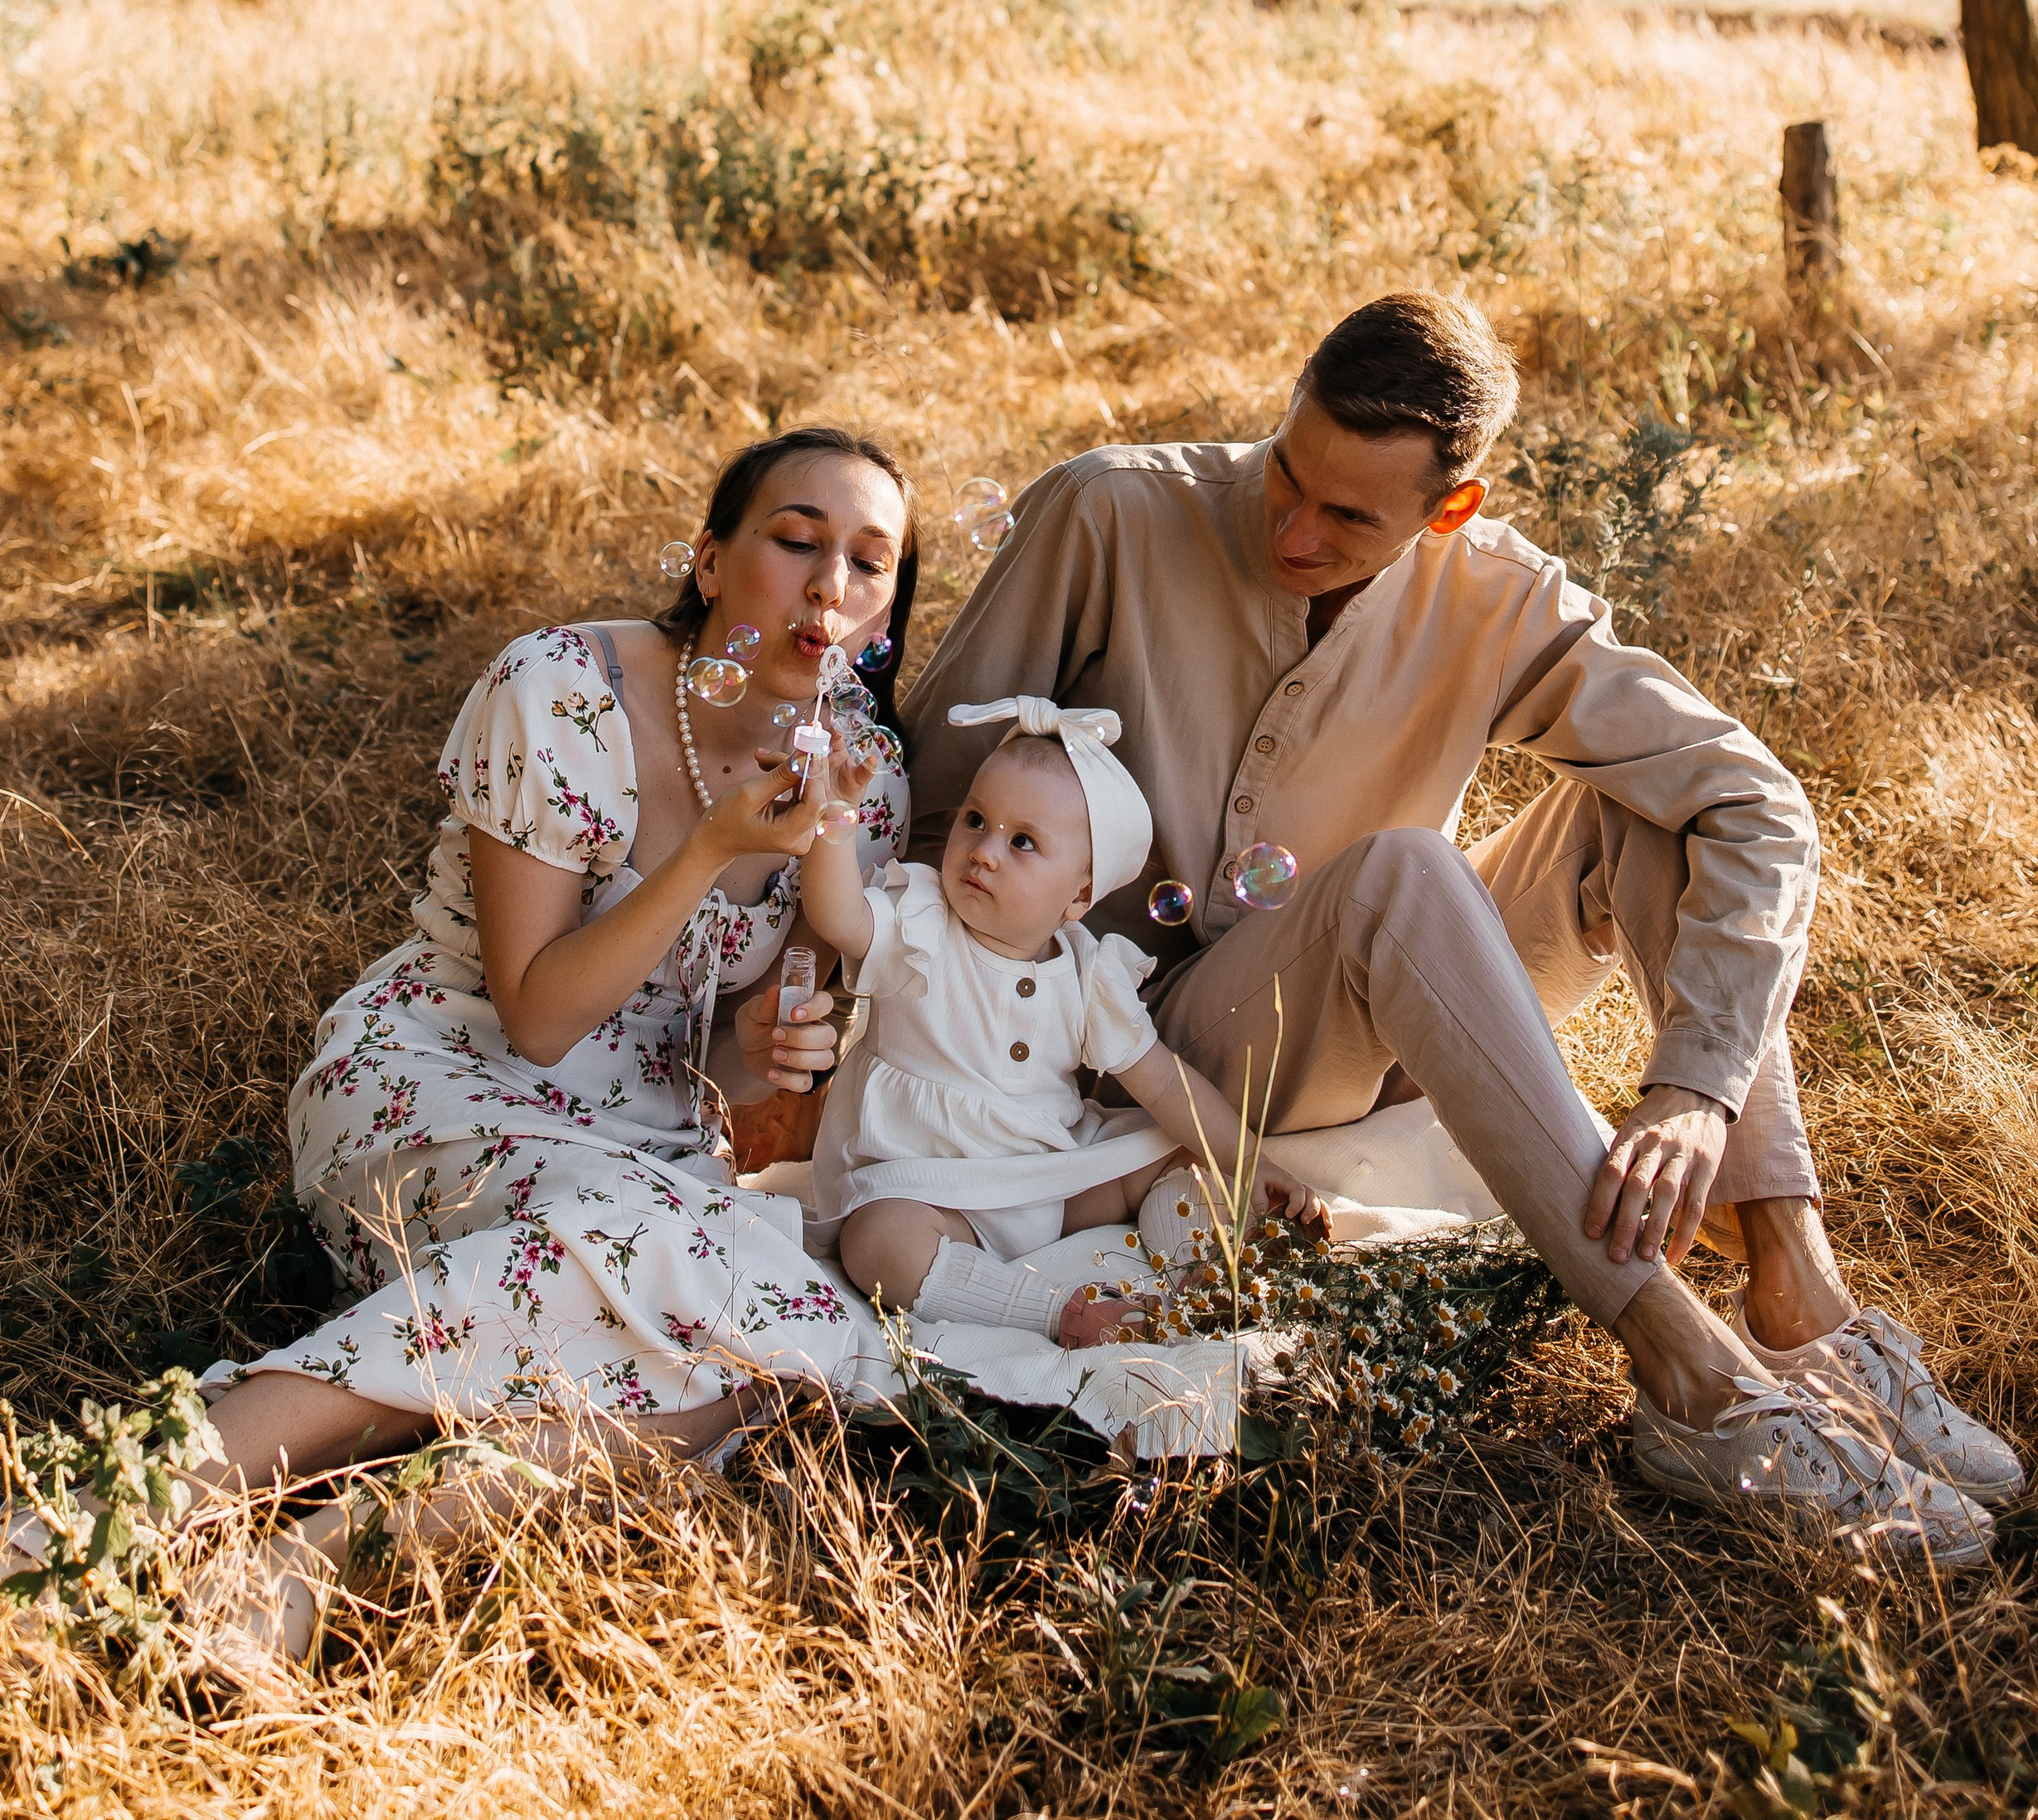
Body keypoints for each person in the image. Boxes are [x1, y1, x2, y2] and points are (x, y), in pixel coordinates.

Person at [899, 294, 2023, 1562]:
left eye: (1349, 516)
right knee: (1401, 875)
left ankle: (1798, 1292)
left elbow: (1756, 802)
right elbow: (928, 792)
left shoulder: (1494, 594)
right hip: (1150, 1036)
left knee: (1648, 817)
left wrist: (1699, 1088)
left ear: (1452, 510)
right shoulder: (1108, 510)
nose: (1294, 529)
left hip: (1393, 988)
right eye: (1286, 473)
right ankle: (1688, 1373)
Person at [169, 425, 922, 1646]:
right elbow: (541, 1015)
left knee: (786, 1362)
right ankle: (145, 1499)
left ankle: (325, 1557)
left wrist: (779, 1054)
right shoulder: (566, 686)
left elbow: (724, 1058)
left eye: (871, 565)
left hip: (641, 1149)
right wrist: (710, 852)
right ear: (712, 558)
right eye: (796, 542)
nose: (831, 586)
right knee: (673, 1267)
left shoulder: (861, 785)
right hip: (438, 1079)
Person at [799, 698, 1326, 1348]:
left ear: (1079, 897)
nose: (984, 851)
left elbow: (1162, 1084)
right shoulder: (922, 924)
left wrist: (1251, 1161)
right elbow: (837, 917)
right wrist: (833, 816)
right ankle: (1057, 1313)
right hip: (931, 1184)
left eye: (1022, 841)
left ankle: (1196, 1281)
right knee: (879, 1244)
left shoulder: (1086, 972)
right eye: (974, 820)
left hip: (1050, 1176)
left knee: (1179, 1152)